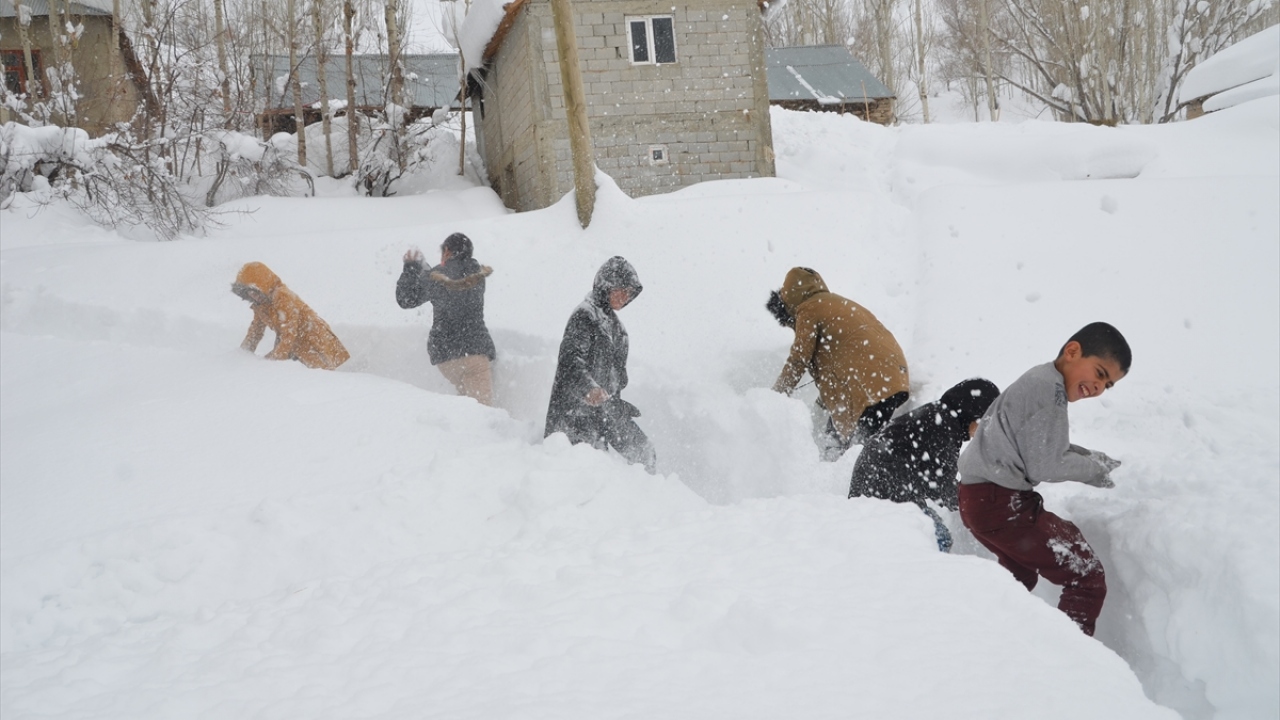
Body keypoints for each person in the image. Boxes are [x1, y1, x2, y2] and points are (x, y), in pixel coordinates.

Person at [957, 322, 1131, 636]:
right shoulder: (1049, 392)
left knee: (1017, 577)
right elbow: (1047, 464)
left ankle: (989, 639)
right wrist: (1097, 472)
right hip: (999, 503)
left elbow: (1047, 447)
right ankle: (1068, 663)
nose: (1099, 387)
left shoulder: (1041, 381)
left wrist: (1092, 458)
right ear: (1073, 351)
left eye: (1108, 385)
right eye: (1100, 373)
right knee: (1086, 576)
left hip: (980, 499)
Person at [767, 266, 910, 460]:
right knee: (839, 441)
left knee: (855, 455)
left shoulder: (808, 308)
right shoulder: (835, 304)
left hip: (868, 386)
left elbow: (798, 359)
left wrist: (775, 397)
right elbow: (842, 360)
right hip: (890, 378)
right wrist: (821, 403)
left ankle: (846, 485)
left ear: (789, 304)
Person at [849, 378, 1000, 552]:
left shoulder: (942, 419)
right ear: (974, 412)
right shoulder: (943, 426)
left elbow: (938, 479)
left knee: (931, 530)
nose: (985, 431)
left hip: (880, 483)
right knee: (937, 537)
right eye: (986, 422)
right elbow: (942, 487)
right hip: (882, 487)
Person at [545, 256, 656, 473]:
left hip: (605, 411)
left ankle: (647, 498)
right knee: (588, 468)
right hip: (575, 414)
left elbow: (615, 379)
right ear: (605, 285)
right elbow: (571, 361)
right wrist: (589, 388)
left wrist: (617, 405)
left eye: (630, 293)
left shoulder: (619, 330)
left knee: (644, 452)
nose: (625, 297)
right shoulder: (585, 316)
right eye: (620, 290)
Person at [396, 232, 497, 406]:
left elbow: (406, 299)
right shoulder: (477, 275)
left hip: (445, 356)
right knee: (483, 411)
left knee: (468, 406)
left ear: (448, 252)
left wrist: (412, 267)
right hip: (473, 354)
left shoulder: (436, 276)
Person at [232, 261, 350, 370]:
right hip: (293, 344)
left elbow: (289, 331)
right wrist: (243, 355)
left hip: (312, 339)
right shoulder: (261, 306)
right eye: (249, 293)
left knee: (320, 376)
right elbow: (255, 332)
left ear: (263, 285)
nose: (253, 296)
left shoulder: (282, 296)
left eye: (255, 291)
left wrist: (276, 358)